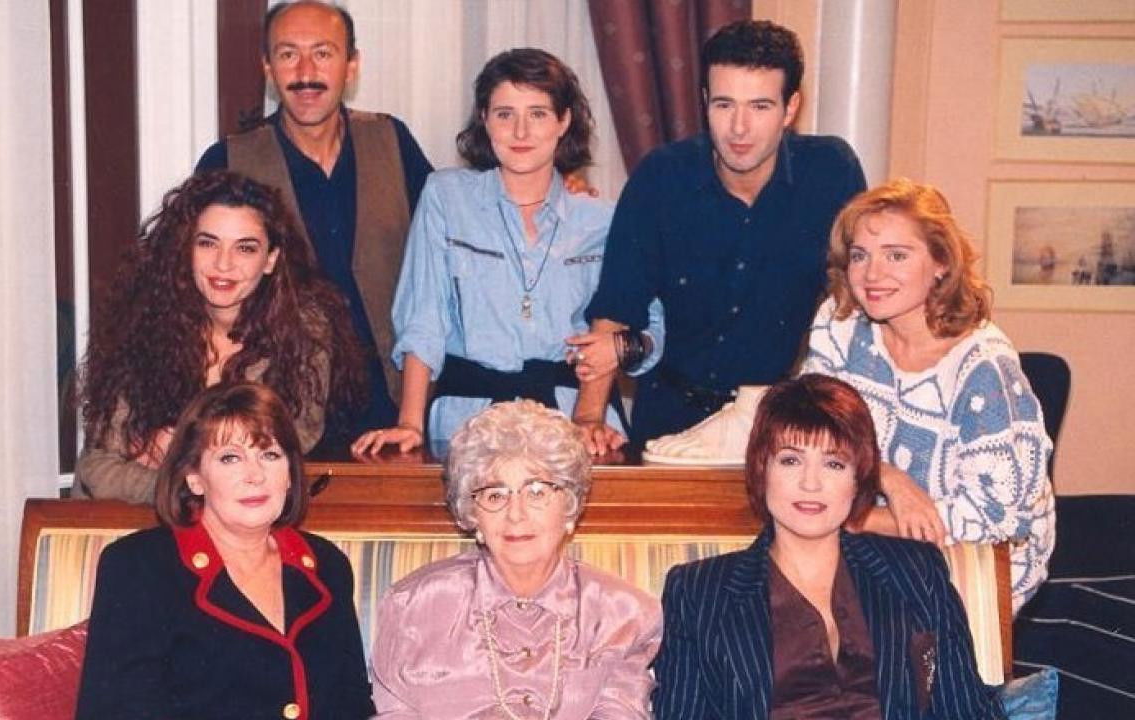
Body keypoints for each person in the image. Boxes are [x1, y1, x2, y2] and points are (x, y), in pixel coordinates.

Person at [572, 19, 866, 454]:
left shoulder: (830, 172)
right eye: (724, 104)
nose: (739, 128)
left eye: (760, 106)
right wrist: (588, 419)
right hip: (670, 421)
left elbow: (857, 299)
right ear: (705, 101)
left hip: (781, 426)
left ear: (790, 108)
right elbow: (616, 307)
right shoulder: (661, 177)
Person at [351, 48, 662, 455]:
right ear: (484, 119)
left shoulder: (603, 219)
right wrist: (410, 423)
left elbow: (655, 326)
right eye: (504, 114)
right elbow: (423, 319)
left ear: (564, 121)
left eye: (538, 114)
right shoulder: (446, 197)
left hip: (577, 426)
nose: (520, 132)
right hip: (467, 421)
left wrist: (620, 351)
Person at [653, 374, 1006, 719]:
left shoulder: (916, 570)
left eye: (834, 463)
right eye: (790, 460)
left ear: (858, 479)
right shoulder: (698, 592)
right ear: (762, 470)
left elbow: (966, 709)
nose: (811, 483)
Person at [801, 178, 1056, 612]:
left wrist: (860, 519)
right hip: (871, 541)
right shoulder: (841, 323)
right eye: (860, 255)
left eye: (896, 255)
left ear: (941, 263)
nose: (872, 275)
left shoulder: (983, 367)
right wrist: (888, 478)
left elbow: (996, 518)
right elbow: (815, 427)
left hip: (975, 559)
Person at [196, 1, 433, 431]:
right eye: (288, 54)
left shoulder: (392, 141)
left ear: (352, 65)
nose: (306, 72)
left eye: (323, 53)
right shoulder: (229, 159)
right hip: (281, 408)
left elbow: (449, 240)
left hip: (394, 405)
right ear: (268, 68)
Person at [75, 382, 375, 719]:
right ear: (194, 478)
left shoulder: (327, 565)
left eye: (270, 455)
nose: (255, 475)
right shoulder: (139, 567)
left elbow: (352, 705)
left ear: (290, 474)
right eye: (230, 458)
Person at [72, 171, 363, 503]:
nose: (223, 264)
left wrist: (179, 451)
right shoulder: (144, 323)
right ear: (185, 249)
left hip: (237, 518)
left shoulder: (304, 333)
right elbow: (96, 467)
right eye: (208, 243)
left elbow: (284, 448)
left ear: (270, 259)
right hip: (135, 518)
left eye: (245, 248)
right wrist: (182, 487)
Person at [370, 399, 662, 717]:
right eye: (495, 495)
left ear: (570, 505)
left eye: (537, 492)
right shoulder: (412, 606)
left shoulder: (623, 615)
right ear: (472, 514)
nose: (516, 514)